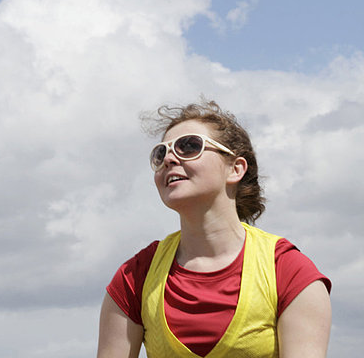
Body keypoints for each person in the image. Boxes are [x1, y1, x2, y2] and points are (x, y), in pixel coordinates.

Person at [97, 100, 332, 357]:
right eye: (160, 154)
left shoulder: (288, 272)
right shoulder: (134, 276)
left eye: (189, 146)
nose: (169, 159)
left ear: (235, 168)